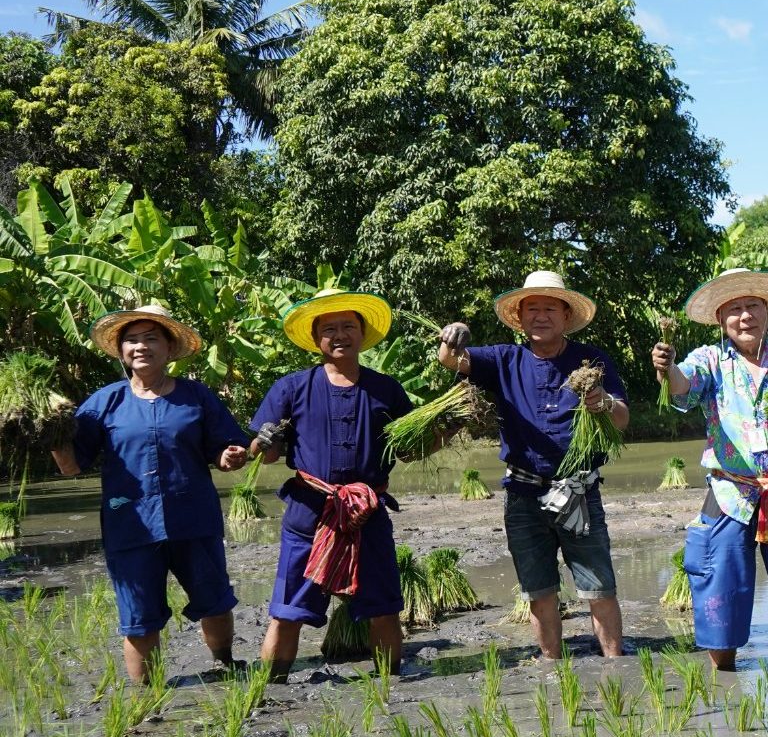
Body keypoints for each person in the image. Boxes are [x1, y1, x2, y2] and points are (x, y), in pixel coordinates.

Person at [651, 268, 768, 670]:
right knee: (720, 600)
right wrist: (666, 369)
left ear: (767, 310)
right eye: (734, 309)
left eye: (752, 305)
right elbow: (683, 385)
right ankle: (726, 682)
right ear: (721, 319)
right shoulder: (710, 360)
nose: (745, 316)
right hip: (729, 493)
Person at [51, 305, 250, 682]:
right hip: (131, 525)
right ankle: (147, 699)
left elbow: (225, 452)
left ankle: (226, 665)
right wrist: (51, 433)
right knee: (139, 618)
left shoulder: (196, 397)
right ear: (121, 349)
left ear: (170, 347)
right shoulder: (104, 402)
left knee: (216, 602)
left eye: (151, 338)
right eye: (132, 339)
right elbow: (72, 465)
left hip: (194, 519)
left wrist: (230, 455)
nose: (140, 346)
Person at [438, 270, 630, 659]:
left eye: (549, 309)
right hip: (523, 494)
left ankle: (615, 663)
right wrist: (452, 334)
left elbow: (623, 417)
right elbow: (451, 360)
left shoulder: (590, 361)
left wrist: (604, 404)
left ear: (565, 316)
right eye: (533, 309)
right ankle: (551, 663)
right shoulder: (505, 358)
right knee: (539, 590)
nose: (541, 316)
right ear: (521, 317)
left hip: (579, 490)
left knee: (599, 587)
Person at [247, 289, 415, 679]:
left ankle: (391, 682)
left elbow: (411, 448)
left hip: (366, 514)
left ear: (361, 333)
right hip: (309, 514)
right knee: (287, 611)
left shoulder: (385, 390)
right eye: (329, 329)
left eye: (348, 327)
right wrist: (263, 441)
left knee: (384, 607)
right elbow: (263, 452)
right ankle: (270, 688)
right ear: (316, 337)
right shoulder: (291, 388)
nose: (339, 335)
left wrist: (448, 423)